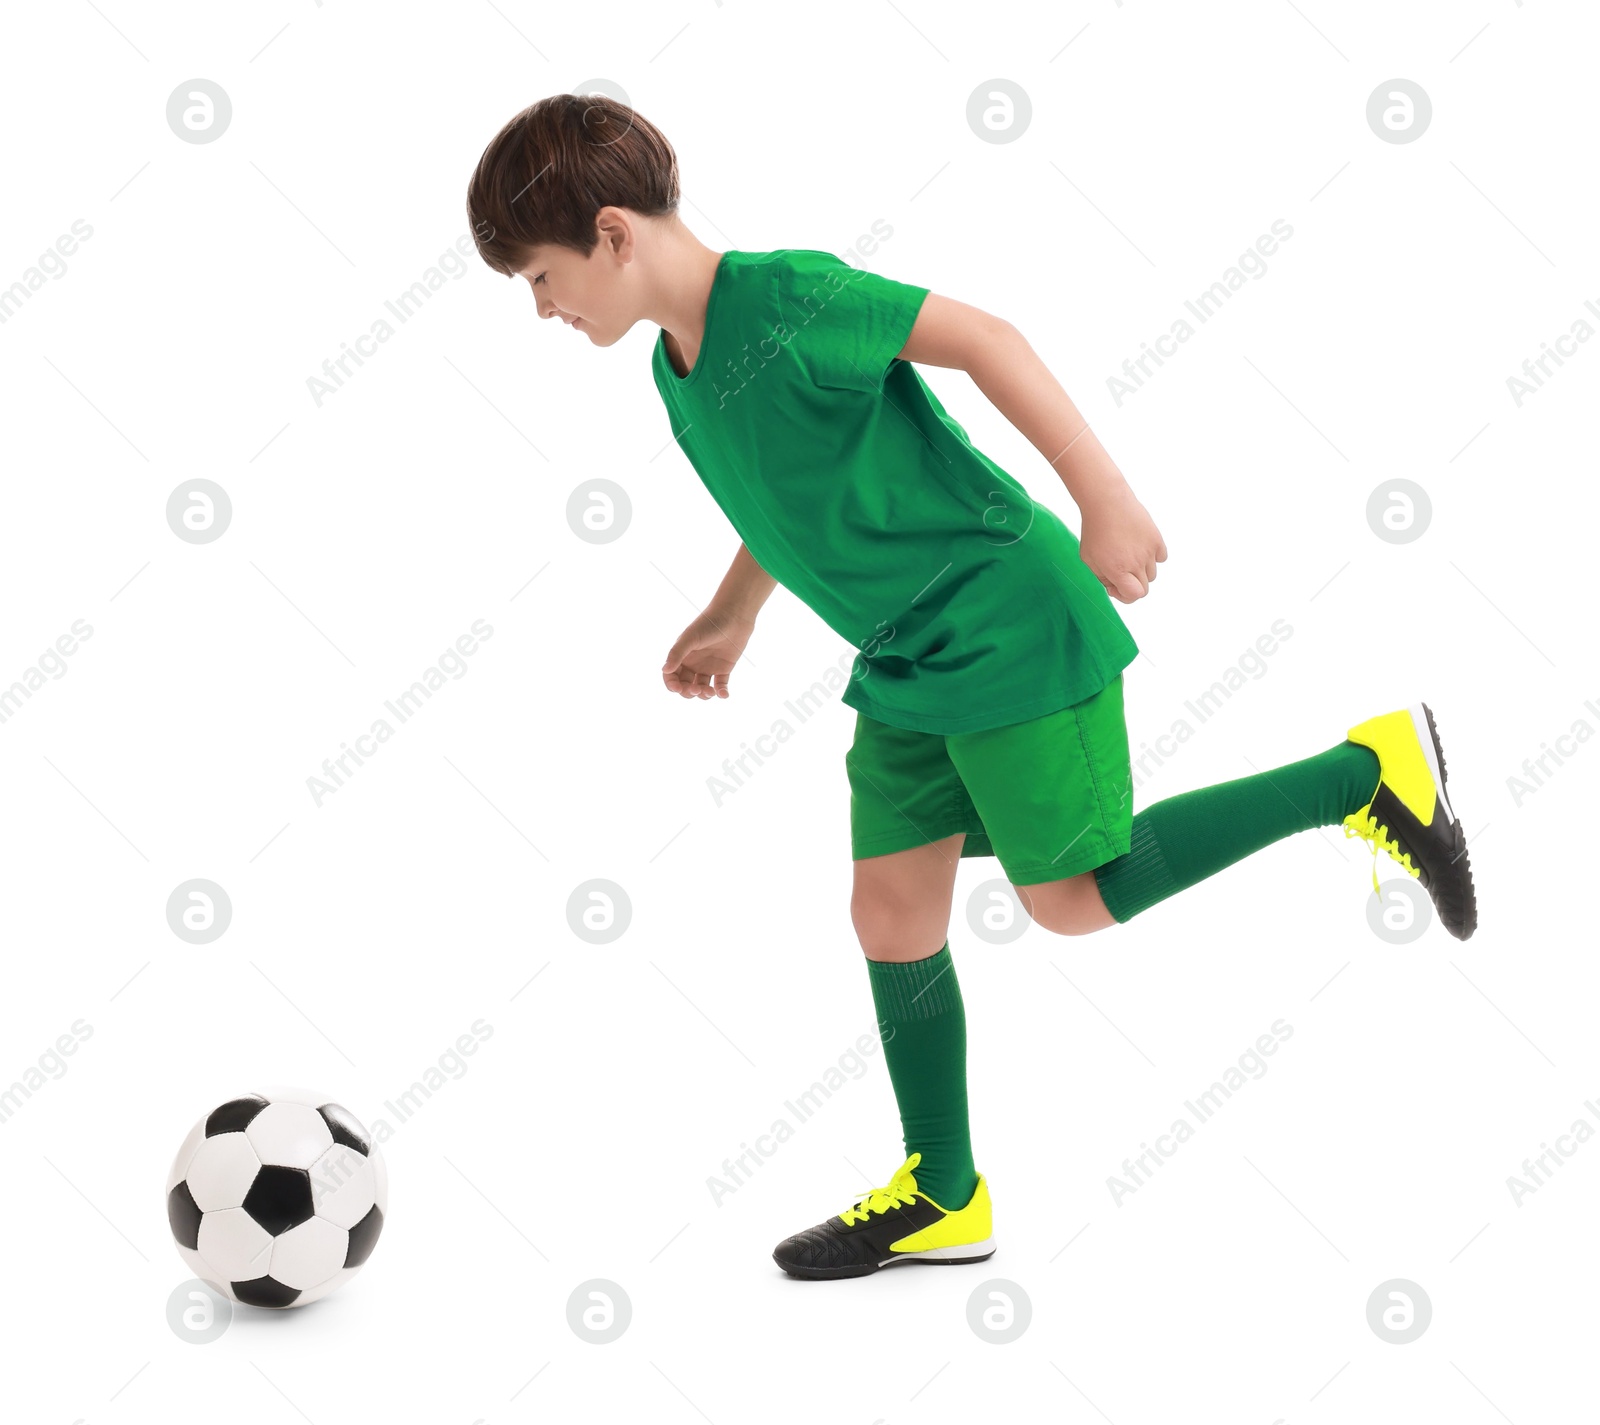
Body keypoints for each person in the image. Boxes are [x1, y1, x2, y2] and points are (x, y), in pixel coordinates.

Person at [467, 93, 1477, 1282]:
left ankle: (1363, 773)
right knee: (891, 910)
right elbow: (785, 499)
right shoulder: (675, 373)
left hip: (1005, 623)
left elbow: (987, 338)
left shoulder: (787, 299)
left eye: (539, 277)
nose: (541, 310)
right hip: (904, 663)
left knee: (1074, 898)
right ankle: (943, 1193)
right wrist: (734, 612)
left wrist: (1107, 499)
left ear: (613, 234)